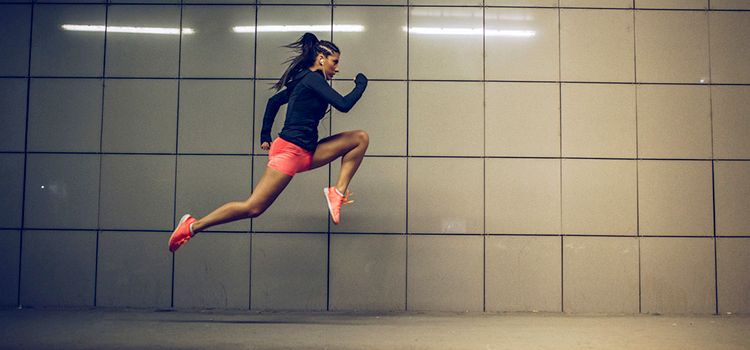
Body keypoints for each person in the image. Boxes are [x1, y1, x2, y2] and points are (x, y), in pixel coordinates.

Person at [168, 32, 369, 253]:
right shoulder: (312, 79)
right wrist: (361, 84)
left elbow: (274, 101)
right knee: (253, 207)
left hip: (308, 152)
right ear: (321, 58)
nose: (337, 68)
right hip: (291, 152)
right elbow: (343, 104)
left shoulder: (304, 80)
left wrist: (265, 136)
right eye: (335, 62)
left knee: (359, 139)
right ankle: (193, 225)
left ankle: (337, 192)